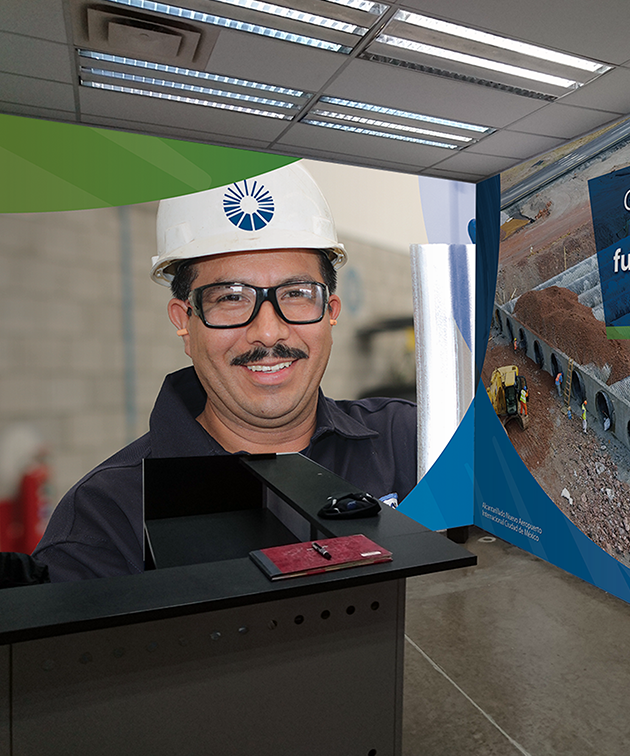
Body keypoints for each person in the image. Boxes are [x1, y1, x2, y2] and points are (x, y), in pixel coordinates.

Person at [33, 163, 417, 582]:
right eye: (232, 298)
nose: (268, 332)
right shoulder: (106, 520)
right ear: (184, 320)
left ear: (330, 312)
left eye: (295, 294)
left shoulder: (410, 443)